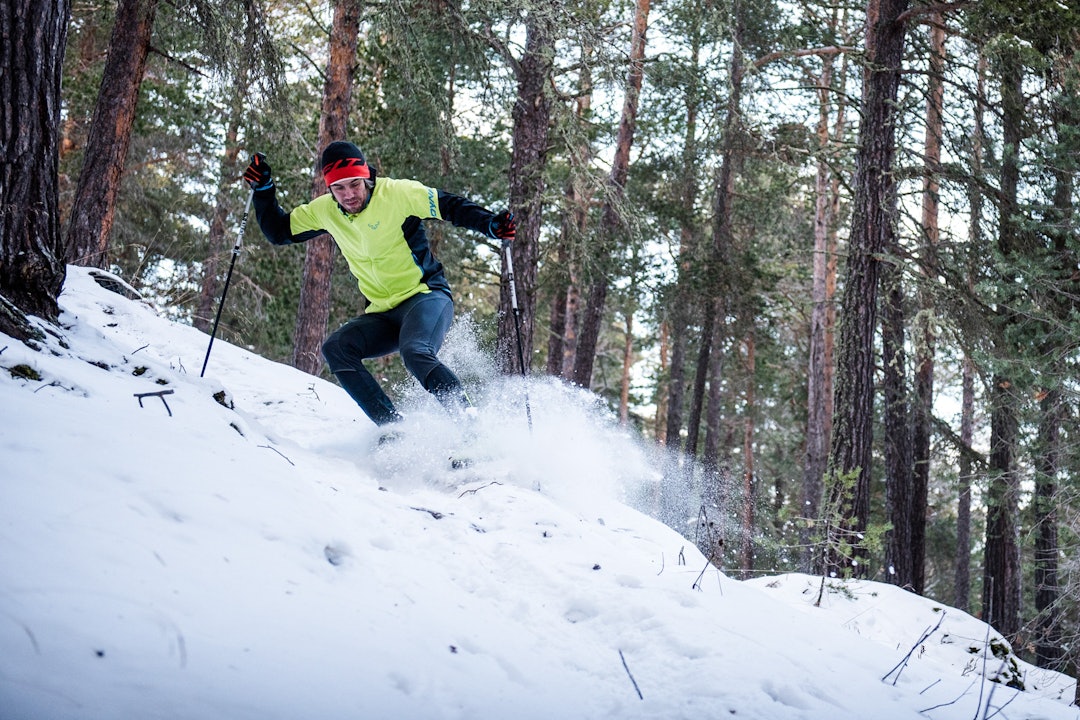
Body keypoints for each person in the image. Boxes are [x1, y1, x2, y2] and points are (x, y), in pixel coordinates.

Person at [243, 141, 515, 428]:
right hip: (382, 313)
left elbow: (450, 205)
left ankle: (470, 425)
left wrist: (490, 225)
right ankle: (393, 429)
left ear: (366, 178)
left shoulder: (397, 193)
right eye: (339, 188)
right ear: (330, 189)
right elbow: (279, 231)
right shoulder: (326, 211)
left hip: (425, 296)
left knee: (415, 352)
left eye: (354, 184)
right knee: (336, 348)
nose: (348, 194)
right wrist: (264, 191)